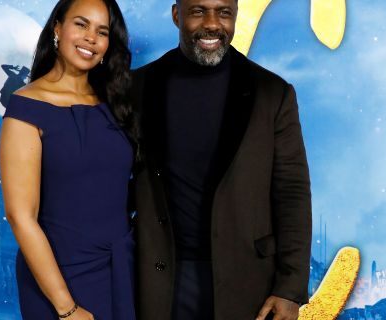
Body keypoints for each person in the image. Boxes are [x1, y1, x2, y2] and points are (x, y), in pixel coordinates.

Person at [130, 0, 312, 319]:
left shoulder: (273, 94)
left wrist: (289, 288)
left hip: (247, 282)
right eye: (199, 11)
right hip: (157, 279)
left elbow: (292, 195)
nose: (213, 23)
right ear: (177, 15)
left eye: (224, 12)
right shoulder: (136, 88)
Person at [0, 0, 137, 319]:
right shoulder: (26, 107)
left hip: (121, 270)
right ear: (58, 28)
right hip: (59, 278)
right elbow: (21, 216)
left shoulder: (115, 104)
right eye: (81, 24)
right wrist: (66, 307)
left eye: (102, 32)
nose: (91, 37)